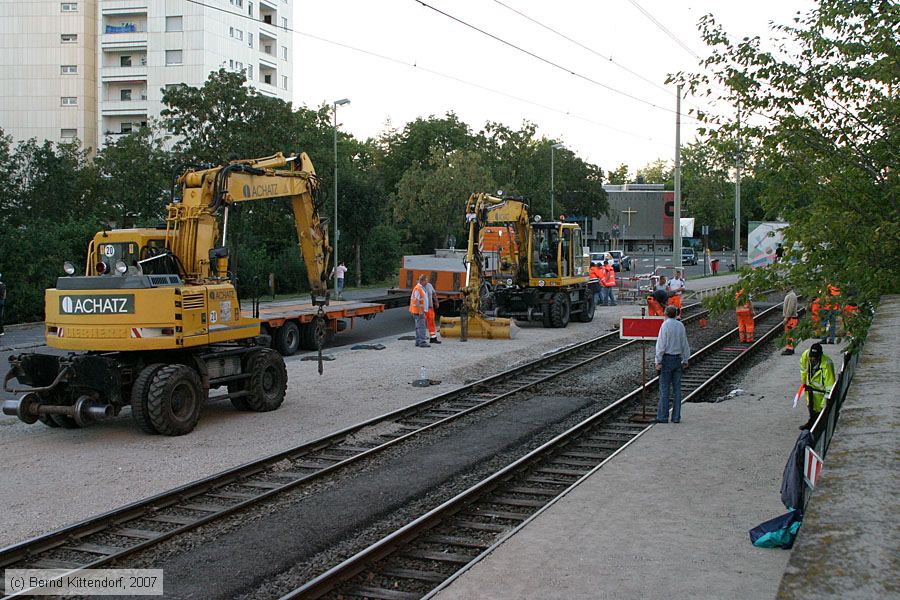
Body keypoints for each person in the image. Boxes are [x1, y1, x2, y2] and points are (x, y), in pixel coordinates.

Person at [655, 305, 691, 423]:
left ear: (665, 314)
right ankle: (676, 417)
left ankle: (663, 417)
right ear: (676, 314)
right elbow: (684, 343)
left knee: (664, 389)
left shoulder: (665, 325)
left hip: (667, 359)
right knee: (677, 389)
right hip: (677, 359)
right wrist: (685, 359)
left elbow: (661, 344)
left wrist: (658, 361)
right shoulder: (680, 325)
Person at [799, 343, 835, 430]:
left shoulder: (827, 364)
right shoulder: (805, 356)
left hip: (821, 392)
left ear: (820, 356)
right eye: (811, 356)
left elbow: (830, 386)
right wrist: (804, 383)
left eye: (815, 357)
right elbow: (803, 370)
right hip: (810, 389)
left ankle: (817, 426)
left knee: (820, 411)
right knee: (811, 407)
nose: (813, 359)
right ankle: (811, 422)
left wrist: (825, 402)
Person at [409, 274, 430, 348]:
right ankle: (422, 341)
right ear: (422, 281)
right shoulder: (418, 288)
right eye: (426, 280)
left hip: (417, 310)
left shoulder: (420, 288)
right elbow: (417, 301)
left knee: (418, 326)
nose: (427, 282)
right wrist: (421, 311)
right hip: (418, 311)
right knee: (421, 326)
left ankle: (418, 341)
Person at [424, 275, 441, 344]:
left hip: (430, 307)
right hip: (424, 308)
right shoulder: (420, 287)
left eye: (427, 280)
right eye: (425, 280)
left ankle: (433, 338)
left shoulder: (429, 285)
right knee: (422, 324)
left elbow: (434, 293)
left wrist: (436, 301)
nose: (427, 281)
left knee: (431, 323)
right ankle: (421, 338)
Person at [782, 288, 799, 355]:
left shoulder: (791, 296)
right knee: (789, 334)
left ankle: (790, 349)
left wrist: (786, 317)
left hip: (791, 318)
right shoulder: (790, 295)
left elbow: (790, 308)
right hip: (791, 318)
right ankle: (789, 348)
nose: (784, 288)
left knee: (790, 334)